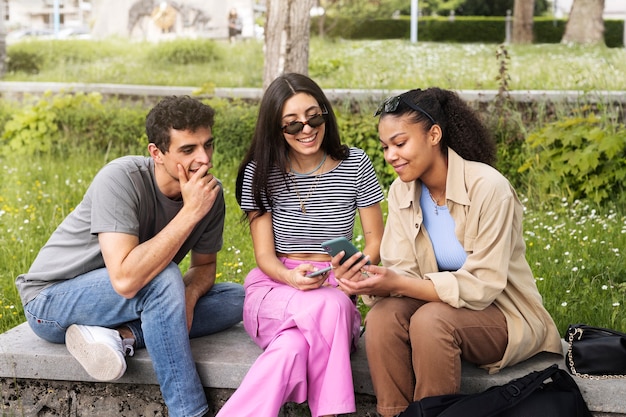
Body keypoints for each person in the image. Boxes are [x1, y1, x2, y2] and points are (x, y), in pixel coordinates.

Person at [335, 87, 563, 417]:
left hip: (502, 313)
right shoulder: (402, 191)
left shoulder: (489, 188)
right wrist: (371, 281)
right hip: (441, 307)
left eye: (400, 143)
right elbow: (402, 271)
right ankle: (395, 414)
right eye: (385, 147)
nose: (390, 156)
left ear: (434, 135)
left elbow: (483, 286)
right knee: (383, 319)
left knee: (431, 321)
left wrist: (396, 283)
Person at [15, 95, 245, 417]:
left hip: (129, 300)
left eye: (208, 145)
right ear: (157, 153)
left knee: (239, 298)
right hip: (52, 301)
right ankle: (190, 412)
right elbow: (125, 279)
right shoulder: (121, 178)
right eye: (188, 149)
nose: (204, 159)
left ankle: (121, 335)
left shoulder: (209, 194)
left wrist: (189, 297)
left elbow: (204, 267)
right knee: (164, 278)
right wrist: (189, 213)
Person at [215, 73, 385, 417]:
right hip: (277, 287)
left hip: (335, 281)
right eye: (292, 125)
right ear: (275, 129)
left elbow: (375, 239)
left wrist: (352, 267)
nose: (306, 130)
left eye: (314, 117)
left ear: (325, 114)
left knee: (292, 348)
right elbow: (264, 256)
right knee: (333, 308)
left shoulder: (355, 163)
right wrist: (292, 278)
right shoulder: (259, 172)